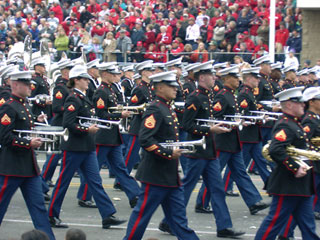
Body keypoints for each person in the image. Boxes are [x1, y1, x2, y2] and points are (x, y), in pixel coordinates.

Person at [160, 61, 246, 238]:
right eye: (211, 75)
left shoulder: (209, 96)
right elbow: (187, 124)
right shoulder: (195, 98)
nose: (215, 77)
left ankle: (224, 226)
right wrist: (209, 129)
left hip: (210, 151)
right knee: (186, 187)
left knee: (217, 189)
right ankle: (168, 222)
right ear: (202, 77)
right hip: (198, 151)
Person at [123, 70, 199, 240]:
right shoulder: (156, 109)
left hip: (169, 174)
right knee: (142, 216)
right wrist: (167, 153)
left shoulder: (166, 108)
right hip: (155, 174)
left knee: (179, 220)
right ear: (160, 87)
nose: (176, 89)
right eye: (171, 86)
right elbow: (145, 139)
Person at [48, 65, 126, 229]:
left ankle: (107, 214)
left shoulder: (84, 98)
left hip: (87, 146)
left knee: (95, 181)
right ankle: (52, 215)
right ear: (76, 81)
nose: (88, 82)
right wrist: (86, 129)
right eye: (85, 79)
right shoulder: (73, 98)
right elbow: (68, 123)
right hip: (75, 147)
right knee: (63, 182)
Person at [255, 87, 320, 240]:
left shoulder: (294, 124)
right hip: (288, 184)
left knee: (307, 224)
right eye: (299, 103)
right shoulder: (285, 125)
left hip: (301, 184)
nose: (303, 105)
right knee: (274, 222)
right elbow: (276, 149)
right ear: (289, 105)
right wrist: (296, 168)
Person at [0, 69, 55, 240]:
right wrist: (28, 143)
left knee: (38, 207)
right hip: (12, 166)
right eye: (26, 84)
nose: (30, 87)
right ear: (15, 85)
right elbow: (5, 136)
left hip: (29, 168)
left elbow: (23, 128)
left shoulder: (24, 105)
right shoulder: (9, 107)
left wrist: (36, 122)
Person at [78, 62, 140, 208]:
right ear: (104, 74)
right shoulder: (101, 91)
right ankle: (85, 196)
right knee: (94, 169)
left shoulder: (110, 90)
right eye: (112, 74)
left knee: (120, 168)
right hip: (103, 137)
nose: (116, 76)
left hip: (112, 136)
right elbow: (101, 114)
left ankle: (135, 194)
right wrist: (120, 114)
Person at [212, 65, 270, 215]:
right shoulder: (224, 95)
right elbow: (216, 118)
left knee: (241, 172)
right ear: (226, 79)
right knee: (214, 173)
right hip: (226, 140)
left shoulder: (233, 94)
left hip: (236, 140)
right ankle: (202, 202)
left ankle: (253, 202)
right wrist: (238, 122)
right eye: (234, 77)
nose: (238, 80)